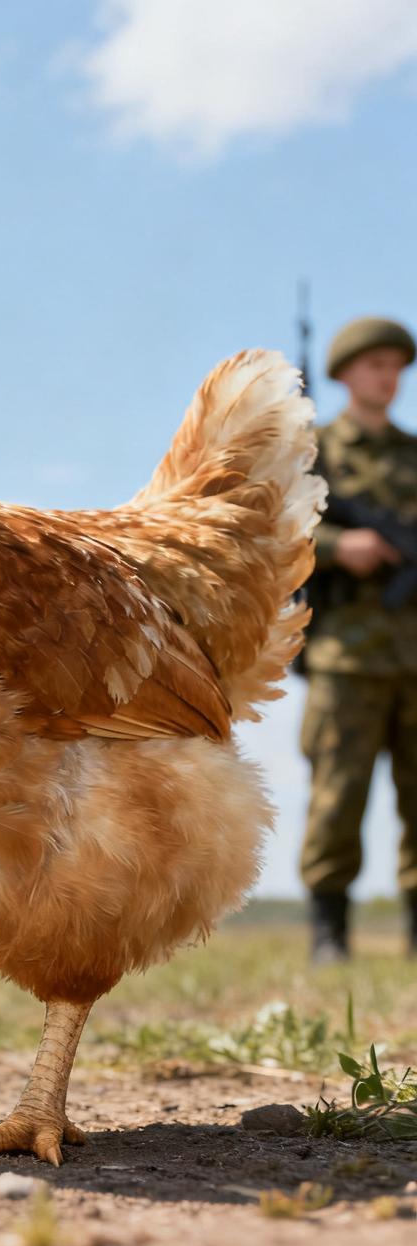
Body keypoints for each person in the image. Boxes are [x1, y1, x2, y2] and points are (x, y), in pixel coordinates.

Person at [300, 317, 417, 963]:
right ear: (345, 373)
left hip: (415, 655)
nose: (389, 377)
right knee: (337, 797)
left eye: (397, 366)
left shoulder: (413, 455)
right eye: (375, 364)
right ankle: (329, 936)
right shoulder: (313, 453)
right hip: (345, 655)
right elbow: (275, 529)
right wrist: (337, 546)